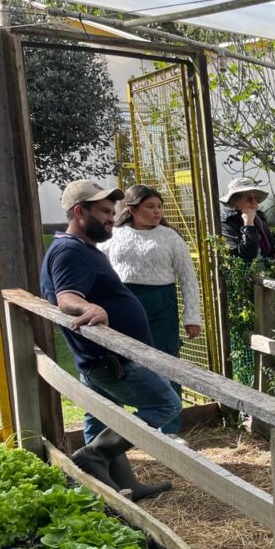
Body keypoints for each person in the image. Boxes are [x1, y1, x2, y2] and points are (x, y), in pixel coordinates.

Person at [40, 180, 179, 501]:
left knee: (105, 416)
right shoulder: (69, 251)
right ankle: (95, 455)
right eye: (103, 211)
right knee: (167, 405)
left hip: (102, 359)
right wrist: (90, 307)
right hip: (113, 360)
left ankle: (118, 488)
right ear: (79, 212)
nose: (111, 217)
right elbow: (66, 297)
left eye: (113, 210)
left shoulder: (80, 248)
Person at [99, 184, 202, 436]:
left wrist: (192, 317)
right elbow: (98, 269)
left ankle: (171, 429)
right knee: (121, 363)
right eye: (150, 207)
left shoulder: (170, 237)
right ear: (132, 209)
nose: (157, 212)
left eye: (159, 207)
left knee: (166, 362)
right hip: (123, 305)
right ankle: (121, 424)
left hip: (161, 307)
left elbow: (189, 278)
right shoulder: (114, 236)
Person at [220, 177, 275, 264]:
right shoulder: (226, 222)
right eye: (249, 198)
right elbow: (245, 256)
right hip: (243, 274)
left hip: (265, 269)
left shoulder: (259, 217)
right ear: (234, 201)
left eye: (257, 198)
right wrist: (248, 223)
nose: (254, 202)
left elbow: (271, 239)